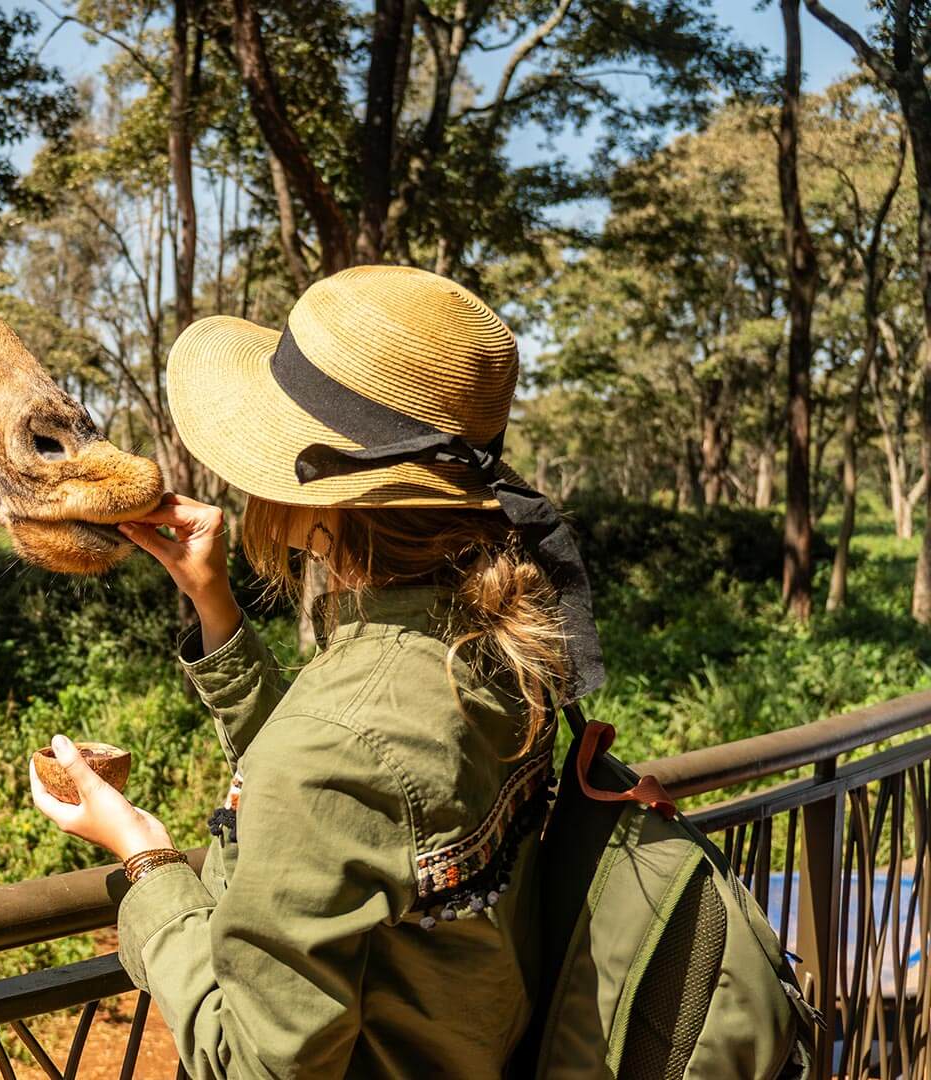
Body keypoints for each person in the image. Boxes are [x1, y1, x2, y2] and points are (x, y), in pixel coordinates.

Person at [30, 265, 605, 1078]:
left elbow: (249, 1062)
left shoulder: (342, 736)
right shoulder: (495, 642)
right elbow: (356, 813)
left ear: (322, 495)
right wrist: (215, 606)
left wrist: (147, 861)